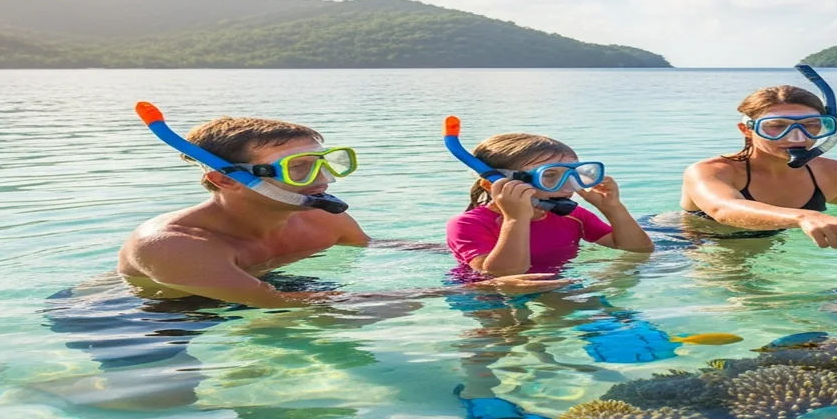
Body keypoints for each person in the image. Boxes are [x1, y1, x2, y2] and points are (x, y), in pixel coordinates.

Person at [115, 105, 569, 309]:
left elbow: (373, 248)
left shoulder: (315, 214)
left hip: (260, 287)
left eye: (326, 163)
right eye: (299, 169)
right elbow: (277, 304)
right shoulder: (172, 246)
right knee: (162, 403)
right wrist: (467, 292)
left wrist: (478, 259)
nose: (324, 179)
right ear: (222, 179)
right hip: (152, 313)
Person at [680, 67, 837, 249]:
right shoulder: (711, 171)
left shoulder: (836, 174)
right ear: (746, 130)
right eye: (777, 126)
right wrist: (805, 216)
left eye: (811, 124)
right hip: (699, 245)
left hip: (773, 246)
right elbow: (722, 209)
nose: (798, 137)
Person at [445, 132, 654, 278]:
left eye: (574, 175)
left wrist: (613, 208)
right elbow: (503, 275)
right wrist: (516, 219)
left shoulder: (573, 216)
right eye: (550, 176)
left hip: (553, 285)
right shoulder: (467, 224)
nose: (566, 187)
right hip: (487, 295)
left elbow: (639, 249)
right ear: (492, 185)